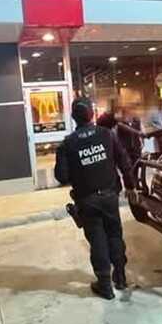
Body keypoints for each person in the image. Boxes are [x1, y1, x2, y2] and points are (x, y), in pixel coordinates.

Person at [55, 98, 137, 300]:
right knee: (115, 235)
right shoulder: (107, 135)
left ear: (73, 118)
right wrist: (131, 186)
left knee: (98, 241)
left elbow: (62, 176)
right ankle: (120, 277)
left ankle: (105, 285)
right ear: (92, 114)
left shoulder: (68, 144)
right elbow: (124, 161)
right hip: (110, 196)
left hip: (87, 200)